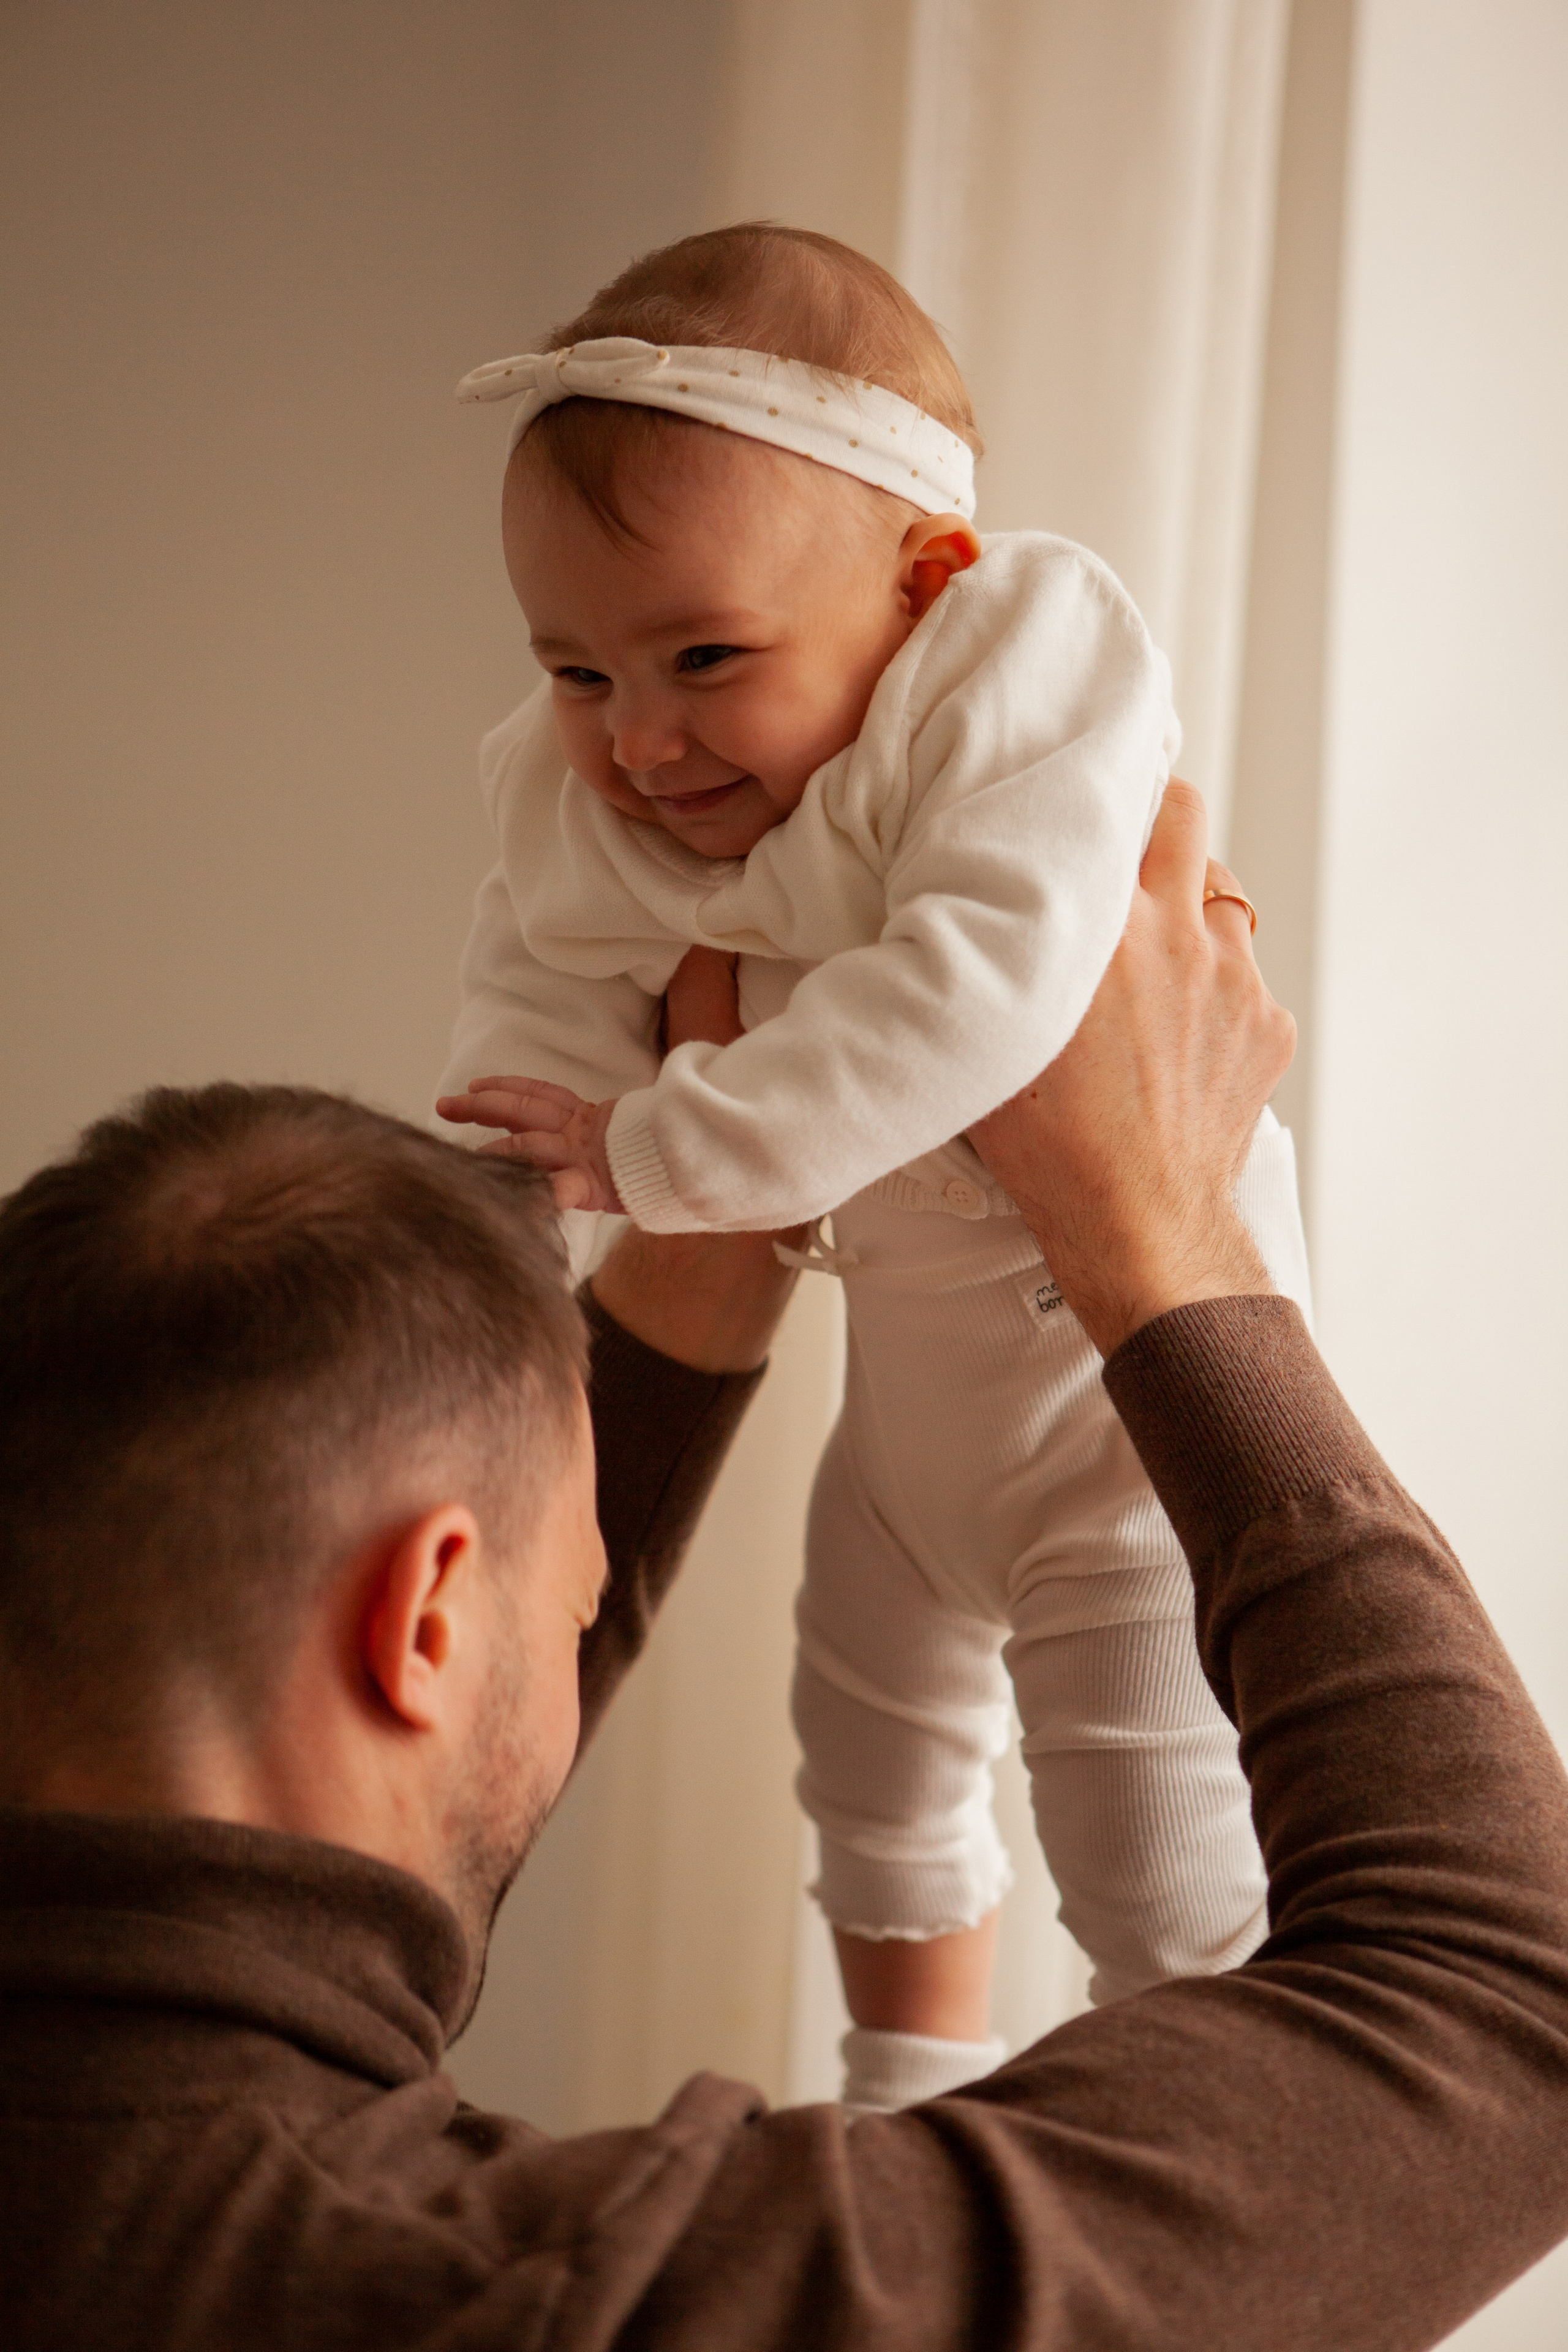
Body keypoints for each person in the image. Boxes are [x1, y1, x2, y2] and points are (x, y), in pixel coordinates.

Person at [3, 783, 1567, 2350]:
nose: (586, 1621)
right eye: (573, 1604)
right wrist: (1161, 1232)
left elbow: (343, 1789)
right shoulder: (579, 2300)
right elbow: (1512, 1998)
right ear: (422, 1622)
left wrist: (733, 1176)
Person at [435, 222, 1313, 2108]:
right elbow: (538, 991)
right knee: (864, 1749)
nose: (640, 738)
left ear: (925, 588)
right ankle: (909, 2091)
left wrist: (663, 1140)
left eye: (704, 659)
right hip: (910, 1435)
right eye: (576, 668)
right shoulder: (589, 770)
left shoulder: (1011, 693)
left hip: (1121, 1427)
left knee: (1151, 1859)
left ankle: (1191, 2131)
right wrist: (513, 1206)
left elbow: (982, 1003)